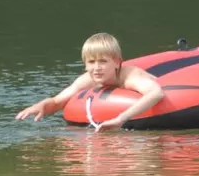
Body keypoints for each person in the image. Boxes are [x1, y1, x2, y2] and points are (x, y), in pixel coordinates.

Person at [17, 32, 165, 130]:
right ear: (85, 65)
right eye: (91, 62)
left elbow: (156, 93)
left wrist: (121, 119)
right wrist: (42, 105)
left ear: (117, 62)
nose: (97, 68)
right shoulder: (87, 80)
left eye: (103, 61)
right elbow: (58, 102)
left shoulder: (130, 76)